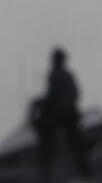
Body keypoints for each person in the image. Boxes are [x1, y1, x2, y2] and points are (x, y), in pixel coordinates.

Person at [37, 47, 88, 181]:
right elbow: (76, 93)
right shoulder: (68, 75)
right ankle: (84, 171)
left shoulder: (54, 74)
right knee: (76, 143)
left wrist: (39, 103)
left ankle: (45, 167)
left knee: (46, 136)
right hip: (70, 114)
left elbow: (52, 96)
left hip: (60, 114)